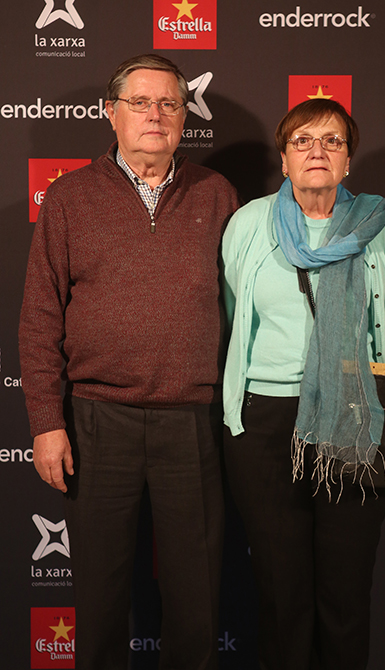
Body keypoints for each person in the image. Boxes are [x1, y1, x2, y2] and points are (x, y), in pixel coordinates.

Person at [19, 54, 239, 670]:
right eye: (140, 102)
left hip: (194, 422)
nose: (155, 115)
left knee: (197, 600)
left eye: (169, 103)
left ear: (184, 117)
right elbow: (40, 316)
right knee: (99, 598)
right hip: (96, 420)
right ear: (110, 113)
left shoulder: (218, 194)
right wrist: (46, 422)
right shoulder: (69, 197)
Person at [222, 98, 385, 670]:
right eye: (303, 140)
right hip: (265, 422)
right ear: (284, 159)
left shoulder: (381, 227)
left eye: (332, 141)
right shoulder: (250, 223)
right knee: (281, 591)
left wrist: (343, 381)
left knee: (344, 591)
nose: (318, 151)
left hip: (357, 417)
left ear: (348, 161)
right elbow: (232, 314)